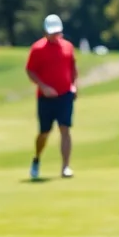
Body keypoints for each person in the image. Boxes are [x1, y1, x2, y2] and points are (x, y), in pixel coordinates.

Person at [26, 14, 78, 180]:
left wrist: (74, 85)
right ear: (45, 32)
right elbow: (30, 70)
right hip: (45, 97)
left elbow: (73, 67)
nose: (54, 35)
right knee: (44, 132)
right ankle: (37, 158)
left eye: (57, 32)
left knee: (65, 129)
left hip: (65, 95)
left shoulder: (68, 47)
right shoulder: (37, 48)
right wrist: (43, 86)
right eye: (51, 32)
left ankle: (65, 166)